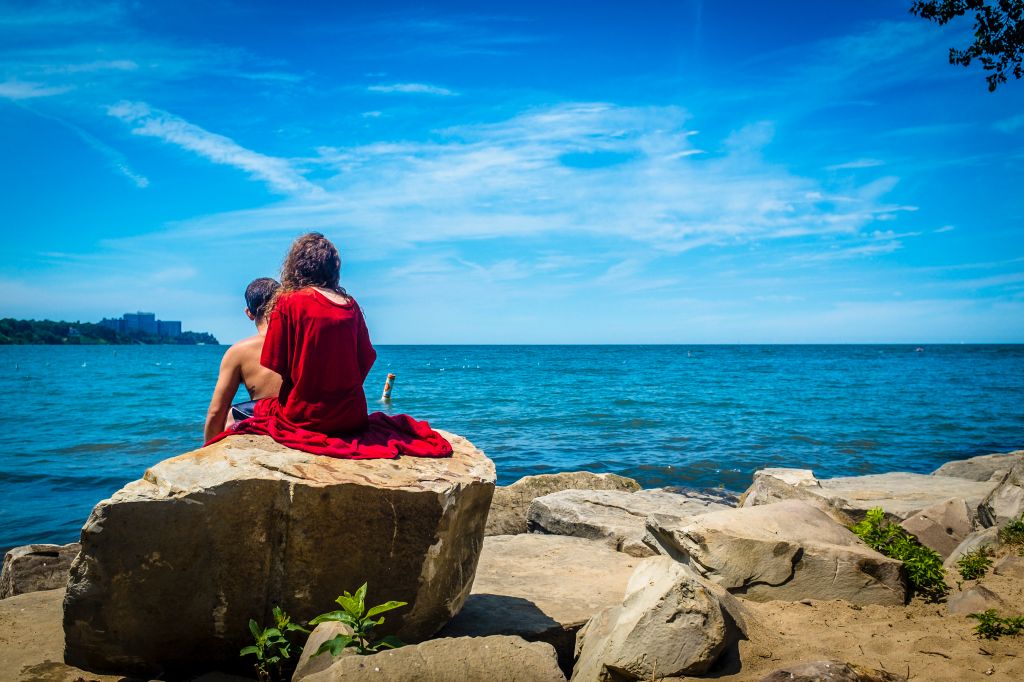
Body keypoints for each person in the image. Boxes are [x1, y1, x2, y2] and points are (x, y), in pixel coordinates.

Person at [257, 232, 376, 435]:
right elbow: (366, 358)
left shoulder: (288, 302)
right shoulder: (350, 305)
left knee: (240, 412)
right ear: (333, 268)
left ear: (296, 265)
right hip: (352, 417)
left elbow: (276, 363)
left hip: (305, 418)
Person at [203, 277, 283, 442]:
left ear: (249, 313)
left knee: (232, 414)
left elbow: (216, 412)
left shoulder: (239, 351)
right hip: (301, 417)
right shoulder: (302, 341)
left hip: (266, 423)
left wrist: (207, 452)